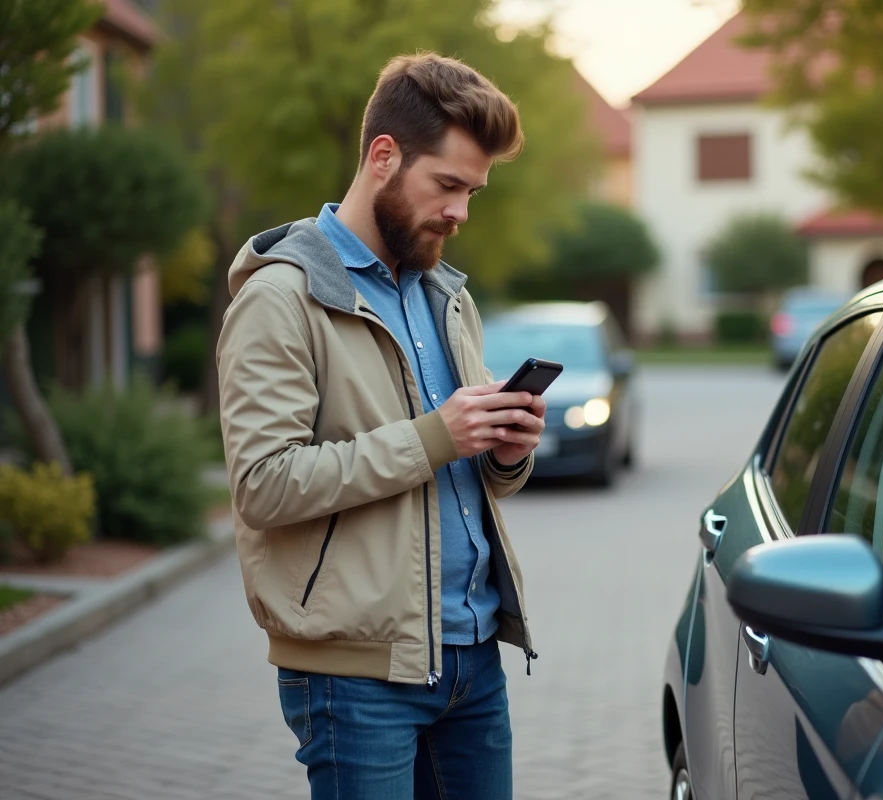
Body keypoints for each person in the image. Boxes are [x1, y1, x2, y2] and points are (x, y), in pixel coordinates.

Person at [215, 51, 544, 799]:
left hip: (474, 658)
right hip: (356, 674)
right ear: (384, 157)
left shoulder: (445, 295)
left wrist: (505, 451)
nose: (461, 212)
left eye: (474, 192)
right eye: (449, 185)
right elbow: (263, 486)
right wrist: (439, 434)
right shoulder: (280, 299)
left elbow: (461, 470)